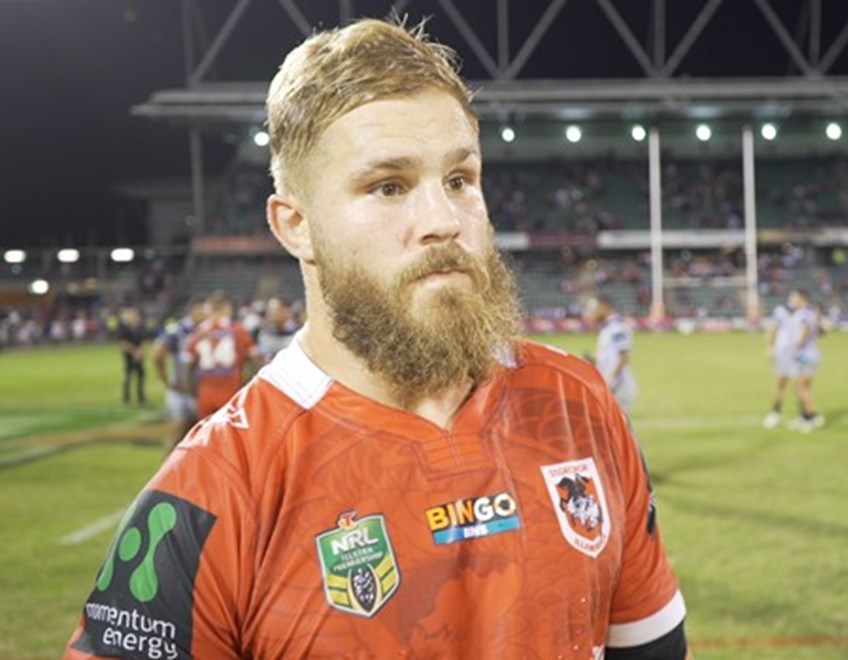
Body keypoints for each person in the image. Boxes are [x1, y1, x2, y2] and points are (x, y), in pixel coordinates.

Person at [65, 19, 686, 660]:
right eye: (388, 187)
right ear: (295, 225)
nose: (444, 221)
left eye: (460, 180)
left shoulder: (577, 402)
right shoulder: (216, 486)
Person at [184, 291, 259, 420]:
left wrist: (192, 392)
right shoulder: (238, 330)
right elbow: (256, 359)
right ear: (227, 308)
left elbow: (188, 366)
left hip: (205, 392)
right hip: (231, 391)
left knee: (207, 430)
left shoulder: (198, 332)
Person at [762, 289, 825, 432]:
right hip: (795, 355)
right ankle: (802, 416)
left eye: (794, 297)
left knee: (801, 388)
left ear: (802, 299)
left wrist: (796, 345)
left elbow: (804, 333)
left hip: (801, 355)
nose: (791, 300)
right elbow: (821, 331)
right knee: (794, 386)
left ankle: (813, 416)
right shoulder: (802, 313)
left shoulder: (805, 315)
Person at [151, 297, 206, 450]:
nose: (204, 314)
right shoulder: (177, 331)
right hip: (182, 391)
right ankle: (169, 464)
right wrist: (167, 381)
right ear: (191, 311)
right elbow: (157, 355)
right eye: (201, 310)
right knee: (178, 434)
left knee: (200, 438)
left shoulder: (206, 329)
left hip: (202, 391)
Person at [586, 295, 638, 414]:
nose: (590, 312)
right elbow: (610, 359)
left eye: (593, 308)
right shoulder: (608, 328)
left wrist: (611, 382)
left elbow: (623, 357)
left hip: (619, 386)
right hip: (612, 385)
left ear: (604, 307)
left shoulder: (617, 328)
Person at [115, 307, 147, 406]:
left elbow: (141, 341)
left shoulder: (137, 327)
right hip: (129, 355)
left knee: (141, 375)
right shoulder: (124, 328)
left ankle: (141, 398)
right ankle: (126, 398)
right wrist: (134, 351)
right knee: (128, 376)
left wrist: (140, 352)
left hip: (138, 354)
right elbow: (122, 342)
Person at [255, 296, 299, 363]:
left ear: (286, 311)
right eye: (270, 310)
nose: (273, 313)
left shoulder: (297, 333)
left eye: (276, 310)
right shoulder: (264, 333)